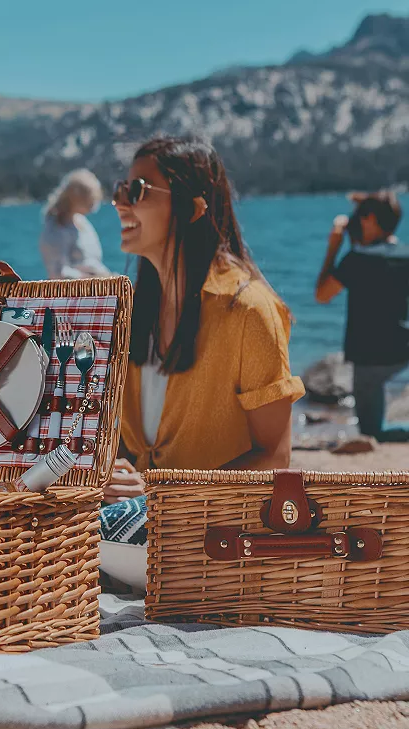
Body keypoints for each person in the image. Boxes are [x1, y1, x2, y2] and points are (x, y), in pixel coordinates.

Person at [102, 136, 305, 516]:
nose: (119, 203)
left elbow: (275, 457)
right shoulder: (129, 310)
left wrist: (158, 491)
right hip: (133, 529)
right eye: (120, 189)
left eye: (136, 189)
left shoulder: (249, 310)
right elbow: (129, 449)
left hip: (209, 539)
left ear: (194, 205)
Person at [315, 191, 408, 441]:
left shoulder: (356, 260)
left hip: (369, 357)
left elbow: (322, 295)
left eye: (359, 217)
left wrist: (334, 247)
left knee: (369, 433)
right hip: (403, 349)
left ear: (369, 219)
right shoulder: (405, 256)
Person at [39, 168, 111, 279]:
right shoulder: (57, 227)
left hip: (94, 289)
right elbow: (57, 273)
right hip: (74, 292)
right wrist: (91, 278)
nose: (94, 204)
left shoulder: (81, 221)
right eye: (91, 199)